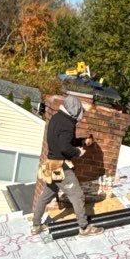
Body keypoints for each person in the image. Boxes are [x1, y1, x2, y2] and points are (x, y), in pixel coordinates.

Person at [30, 91, 89, 234]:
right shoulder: (68, 124)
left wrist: (81, 141)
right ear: (75, 109)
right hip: (60, 166)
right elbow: (65, 147)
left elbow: (63, 140)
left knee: (46, 195)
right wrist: (78, 152)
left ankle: (36, 226)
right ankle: (84, 228)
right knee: (77, 195)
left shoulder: (57, 118)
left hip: (50, 164)